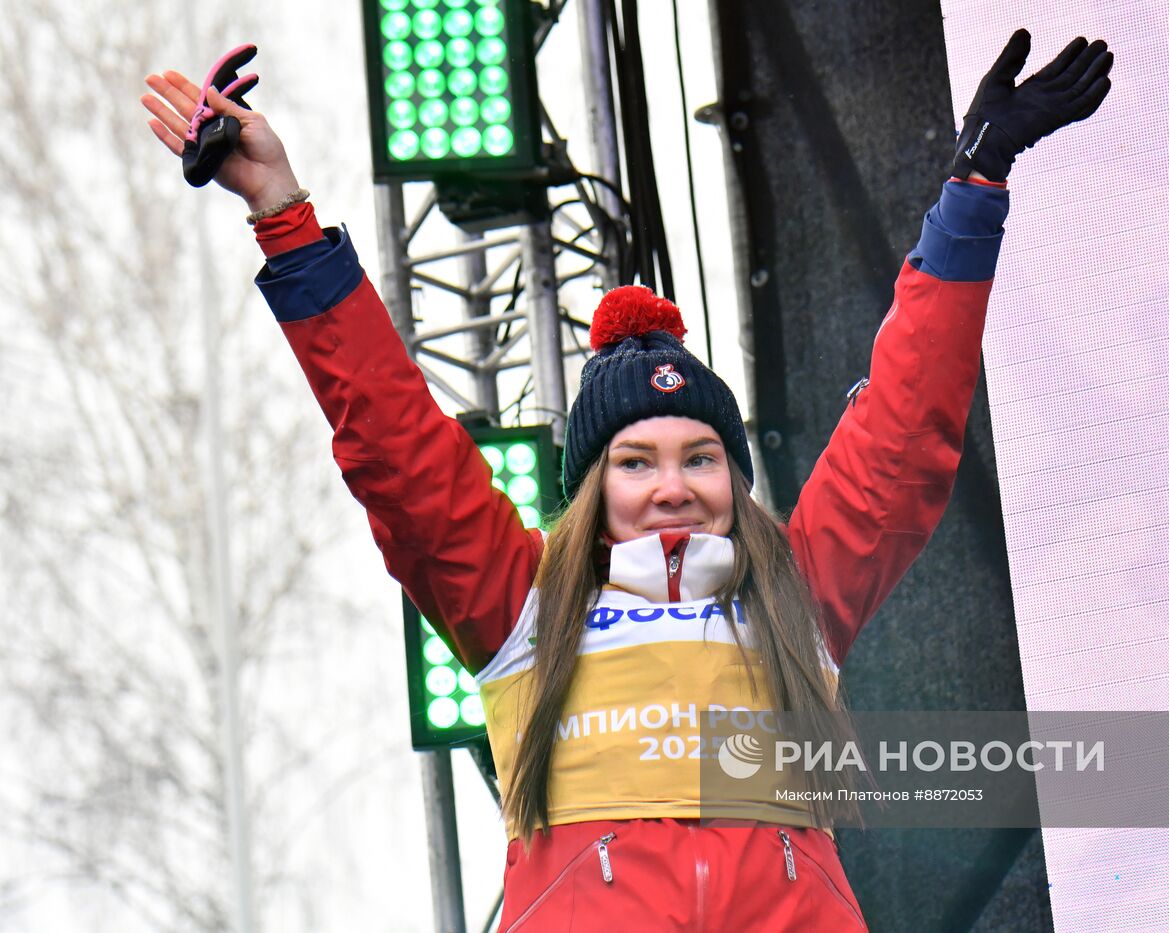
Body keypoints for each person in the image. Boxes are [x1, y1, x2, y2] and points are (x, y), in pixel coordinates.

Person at [142, 28, 1111, 932]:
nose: (672, 485)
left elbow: (901, 436)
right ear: (590, 490)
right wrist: (283, 214)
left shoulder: (791, 599)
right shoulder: (522, 609)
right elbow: (393, 443)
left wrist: (972, 189)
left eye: (699, 458)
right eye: (634, 463)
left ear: (733, 477)